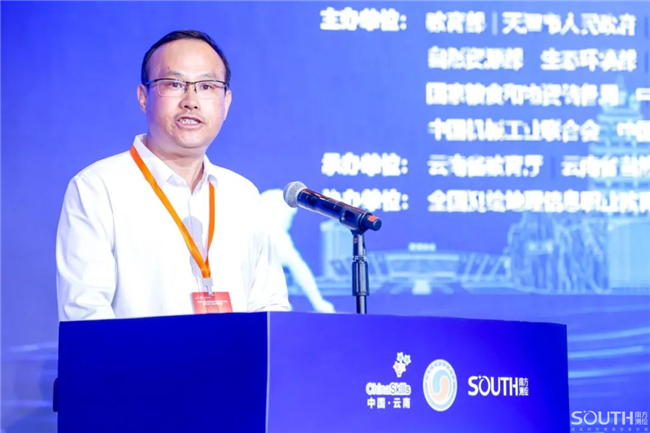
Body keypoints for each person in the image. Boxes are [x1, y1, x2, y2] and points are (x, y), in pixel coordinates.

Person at [56, 30, 290, 320]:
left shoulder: (242, 194)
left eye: (207, 86)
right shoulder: (98, 188)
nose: (191, 101)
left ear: (226, 102)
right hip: (138, 353)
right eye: (175, 84)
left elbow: (270, 307)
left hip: (233, 353)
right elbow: (86, 315)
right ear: (143, 97)